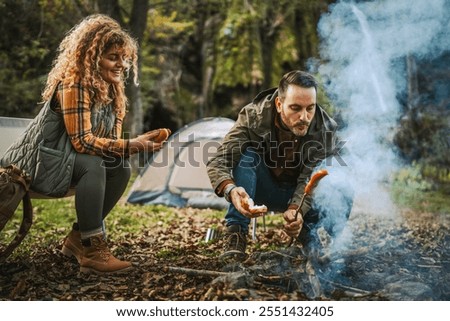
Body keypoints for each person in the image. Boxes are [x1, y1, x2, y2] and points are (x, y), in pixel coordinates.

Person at [0, 14, 169, 274]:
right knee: (94, 164)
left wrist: (135, 144)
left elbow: (109, 144)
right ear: (91, 57)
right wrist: (133, 144)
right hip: (34, 165)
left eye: (124, 58)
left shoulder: (113, 91)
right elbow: (83, 142)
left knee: (120, 167)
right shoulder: (74, 85)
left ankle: (79, 239)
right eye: (113, 57)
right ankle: (92, 249)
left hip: (64, 164)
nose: (121, 65)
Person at [207, 70, 353, 260]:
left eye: (310, 108)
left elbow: (309, 178)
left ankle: (320, 236)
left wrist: (297, 210)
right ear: (279, 104)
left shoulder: (324, 129)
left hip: (299, 193)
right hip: (260, 191)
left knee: (339, 175)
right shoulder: (253, 117)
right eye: (295, 108)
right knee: (247, 156)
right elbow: (219, 161)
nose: (304, 117)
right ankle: (236, 234)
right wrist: (230, 190)